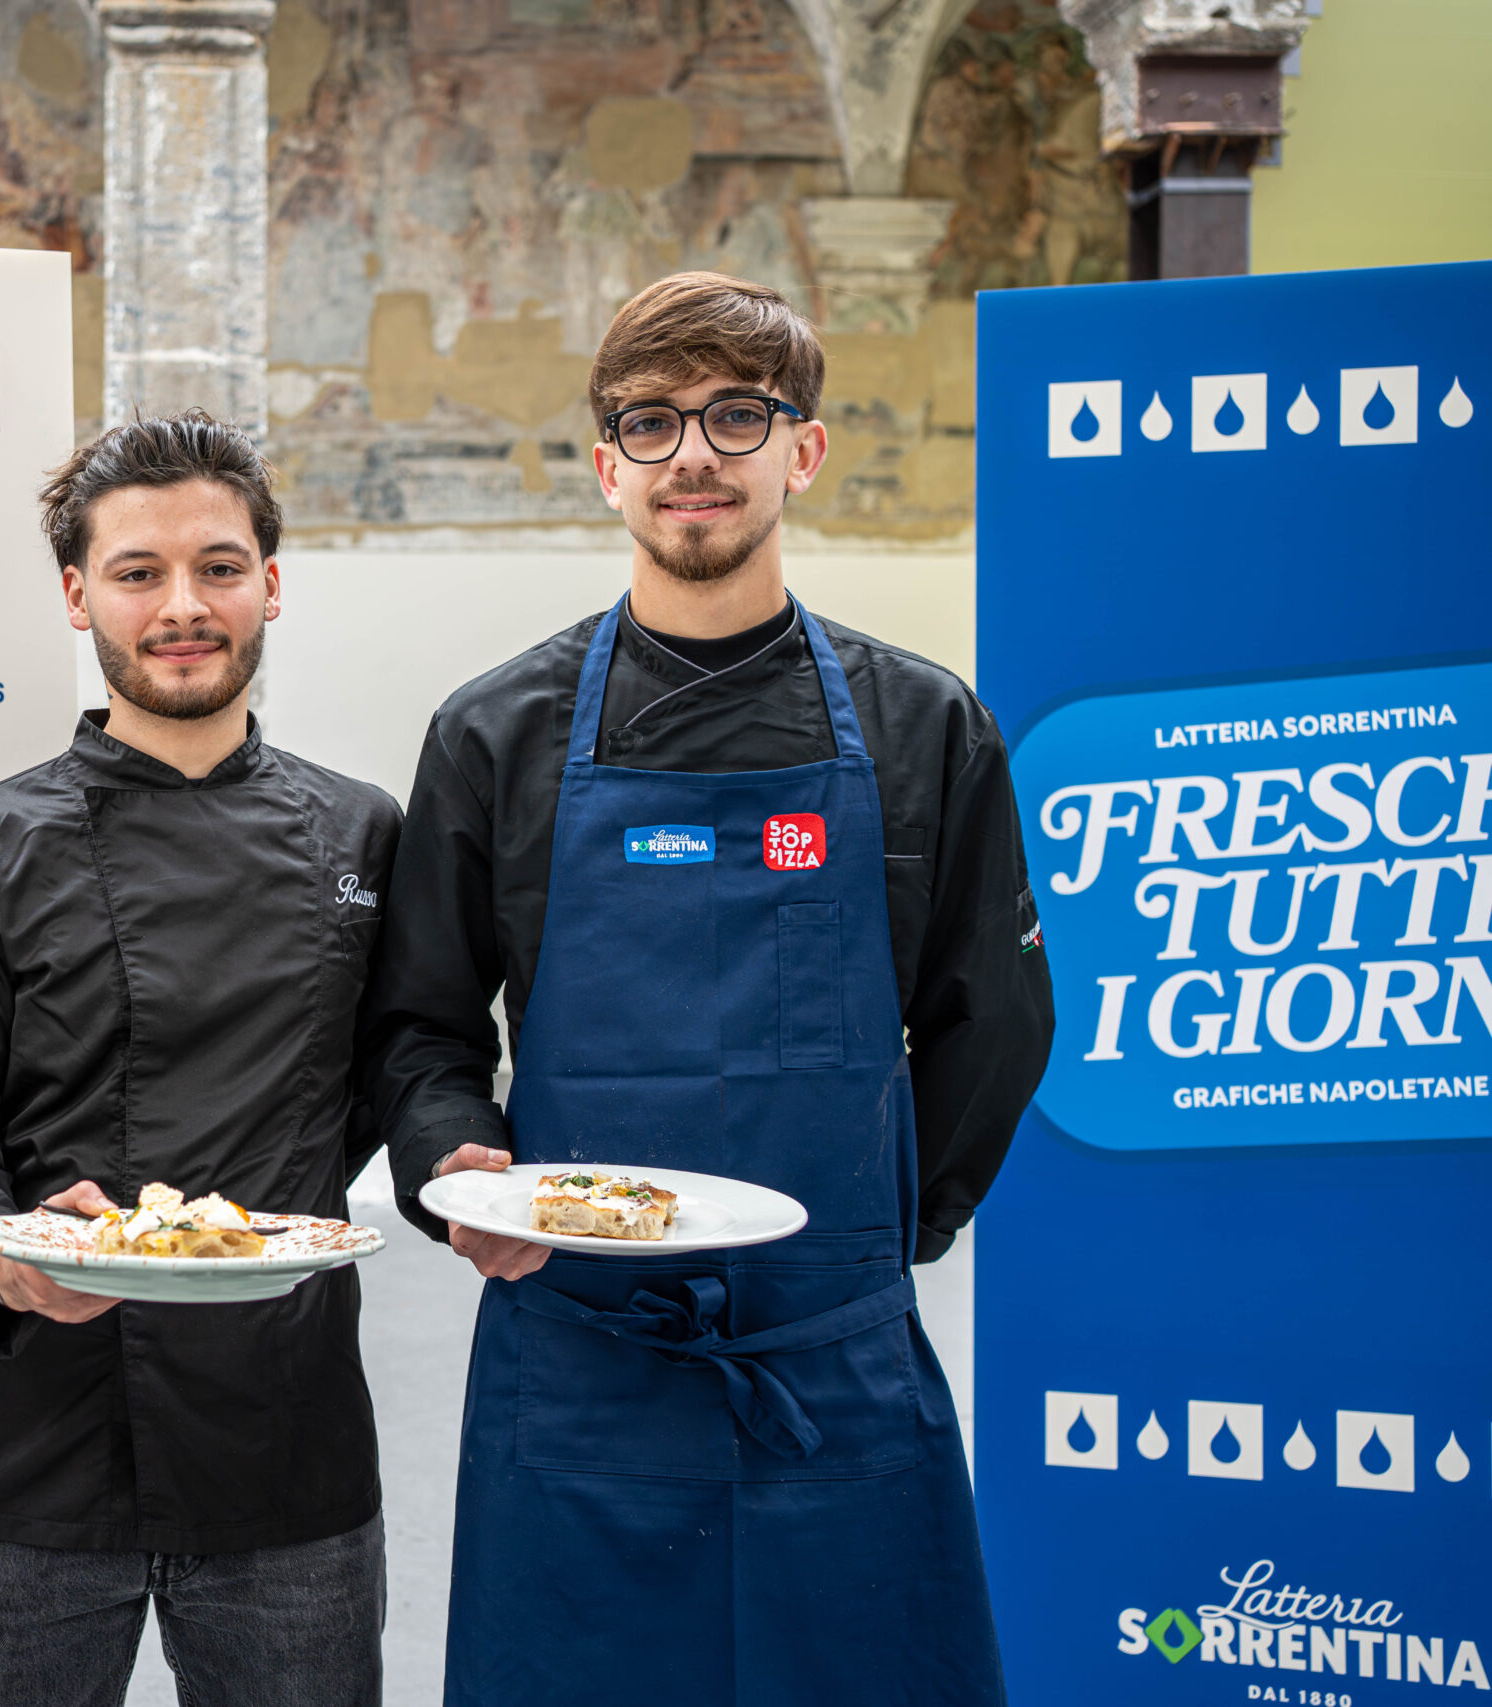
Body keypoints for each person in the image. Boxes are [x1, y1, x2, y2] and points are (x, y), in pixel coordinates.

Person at [362, 272, 1054, 1705]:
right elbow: (420, 1022)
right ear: (606, 465)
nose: (695, 454)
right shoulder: (495, 735)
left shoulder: (926, 727)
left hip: (828, 1361)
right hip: (578, 1351)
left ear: (804, 450)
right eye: (653, 421)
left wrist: (881, 1237)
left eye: (738, 415)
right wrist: (454, 1164)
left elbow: (991, 1019)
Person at [0, 411, 399, 1707]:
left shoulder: (364, 834)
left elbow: (404, 1073)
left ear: (269, 583)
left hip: (288, 1440)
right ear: (76, 596)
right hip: (33, 1438)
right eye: (137, 572)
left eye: (218, 568)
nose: (182, 607)